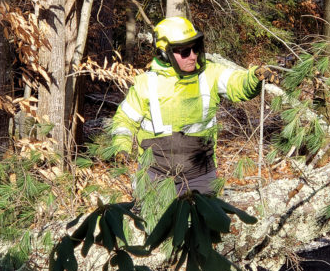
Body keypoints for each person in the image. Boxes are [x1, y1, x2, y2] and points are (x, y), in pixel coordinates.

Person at [111, 16, 276, 195]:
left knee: (207, 214)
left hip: (201, 176)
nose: (193, 56)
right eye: (184, 51)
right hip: (154, 176)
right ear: (164, 53)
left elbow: (237, 83)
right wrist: (121, 147)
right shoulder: (145, 84)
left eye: (196, 48)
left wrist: (254, 77)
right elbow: (124, 120)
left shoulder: (209, 74)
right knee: (152, 215)